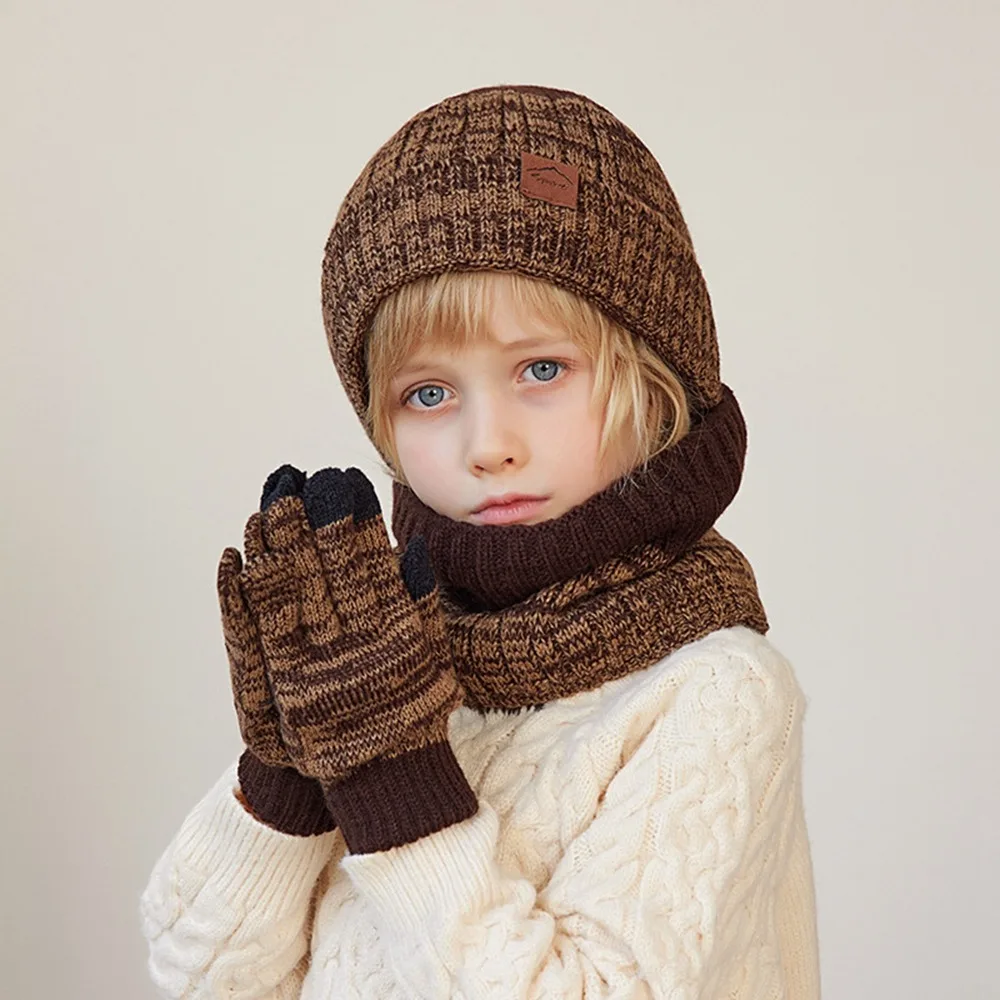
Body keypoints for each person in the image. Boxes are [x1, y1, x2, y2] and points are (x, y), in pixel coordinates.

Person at [139, 83, 821, 998]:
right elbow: (200, 976)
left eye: (542, 369)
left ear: (655, 376)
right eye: (429, 393)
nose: (486, 444)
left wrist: (395, 778)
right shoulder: (388, 658)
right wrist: (290, 768)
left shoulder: (715, 691)